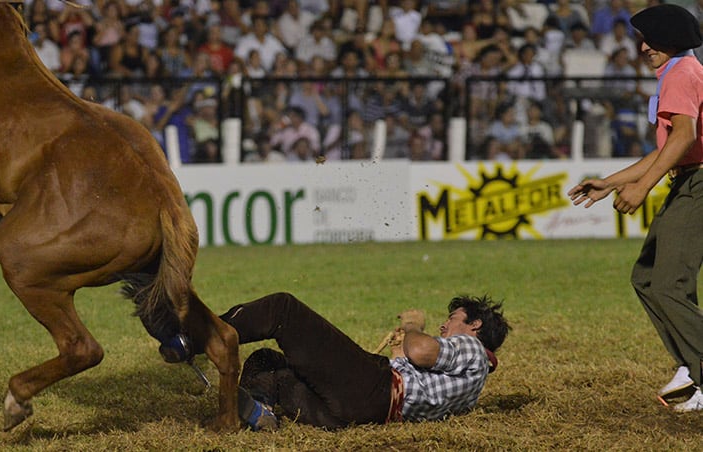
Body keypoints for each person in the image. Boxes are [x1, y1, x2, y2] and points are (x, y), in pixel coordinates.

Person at [568, 4, 703, 412]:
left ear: (673, 41)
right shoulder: (682, 72)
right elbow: (668, 149)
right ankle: (692, 366)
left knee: (666, 286)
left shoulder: (681, 73)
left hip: (697, 183)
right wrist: (610, 183)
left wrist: (643, 187)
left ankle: (698, 369)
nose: (644, 48)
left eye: (652, 40)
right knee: (646, 278)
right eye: (642, 40)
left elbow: (683, 139)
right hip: (689, 180)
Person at [186, 292, 508, 430]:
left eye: (453, 319)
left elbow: (421, 351)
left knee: (283, 310)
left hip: (375, 391)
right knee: (268, 362)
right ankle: (259, 411)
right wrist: (399, 357)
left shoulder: (471, 348)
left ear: (474, 326)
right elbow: (419, 389)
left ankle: (193, 336)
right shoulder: (473, 386)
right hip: (362, 412)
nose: (444, 326)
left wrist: (413, 327)